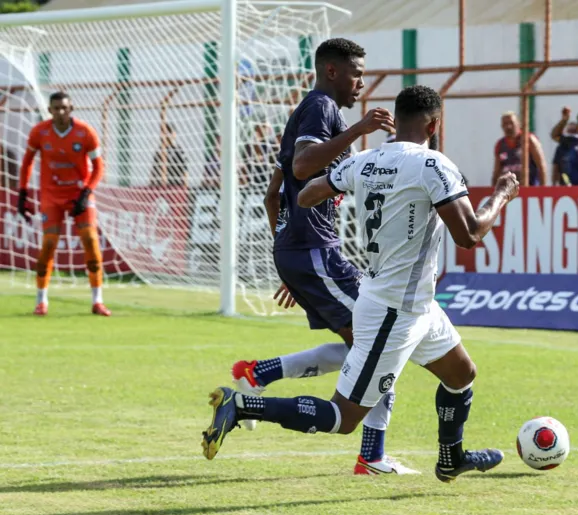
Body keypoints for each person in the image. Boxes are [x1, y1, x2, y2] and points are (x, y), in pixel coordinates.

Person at [202, 84, 519, 483]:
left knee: (461, 375)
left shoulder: (366, 160)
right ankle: (243, 405)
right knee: (343, 417)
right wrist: (503, 195)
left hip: (416, 304)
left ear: (398, 120)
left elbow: (307, 195)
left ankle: (450, 458)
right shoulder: (434, 164)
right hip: (393, 311)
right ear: (434, 123)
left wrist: (356, 191)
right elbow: (470, 234)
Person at [229, 38, 415, 476]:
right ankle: (371, 456)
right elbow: (299, 168)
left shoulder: (307, 111)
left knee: (365, 342)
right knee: (378, 343)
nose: (361, 83)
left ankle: (259, 373)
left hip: (307, 252)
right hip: (315, 252)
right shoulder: (322, 110)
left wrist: (287, 253)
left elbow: (273, 193)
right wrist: (358, 130)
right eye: (357, 73)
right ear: (332, 71)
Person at [16, 92, 110, 317]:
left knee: (90, 240)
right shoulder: (40, 132)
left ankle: (97, 301)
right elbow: (27, 162)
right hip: (52, 196)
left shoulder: (85, 132)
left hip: (80, 194)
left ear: (71, 109)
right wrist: (22, 193)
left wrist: (86, 193)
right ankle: (41, 301)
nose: (60, 112)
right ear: (49, 110)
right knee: (48, 244)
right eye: (55, 108)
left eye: (64, 108)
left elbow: (98, 167)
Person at [491, 111, 546, 186]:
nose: (508, 127)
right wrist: (493, 191)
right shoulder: (500, 145)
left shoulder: (529, 140)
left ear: (518, 124)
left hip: (530, 189)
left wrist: (542, 191)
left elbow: (541, 166)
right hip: (508, 191)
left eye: (511, 123)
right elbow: (496, 172)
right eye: (505, 124)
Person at [150, 123, 187, 188]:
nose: (166, 134)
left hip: (175, 187)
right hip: (159, 188)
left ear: (174, 134)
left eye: (169, 131)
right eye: (164, 132)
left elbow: (185, 171)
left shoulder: (179, 151)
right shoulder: (159, 151)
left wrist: (184, 188)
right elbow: (153, 171)